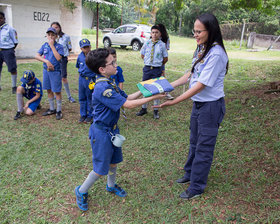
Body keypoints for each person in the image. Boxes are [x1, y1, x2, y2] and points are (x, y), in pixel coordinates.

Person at [74, 48, 164, 211]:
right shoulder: (103, 88)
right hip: (101, 133)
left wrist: (148, 90)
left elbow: (127, 97)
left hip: (112, 130)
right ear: (102, 69)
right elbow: (128, 105)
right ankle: (81, 190)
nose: (116, 64)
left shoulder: (110, 82)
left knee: (114, 162)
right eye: (112, 62)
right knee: (100, 169)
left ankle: (111, 186)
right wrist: (154, 97)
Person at [153, 13, 228, 200]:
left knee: (204, 147)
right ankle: (189, 174)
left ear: (210, 31)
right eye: (194, 31)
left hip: (211, 107)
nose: (195, 34)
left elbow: (200, 85)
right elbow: (190, 75)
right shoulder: (202, 48)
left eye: (199, 31)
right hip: (199, 105)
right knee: (194, 141)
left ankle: (196, 187)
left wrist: (174, 101)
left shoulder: (217, 53)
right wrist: (167, 85)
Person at [136, 25, 168, 119]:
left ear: (160, 34)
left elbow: (165, 59)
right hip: (147, 69)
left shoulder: (162, 45)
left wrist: (157, 65)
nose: (154, 34)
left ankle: (155, 110)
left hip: (156, 69)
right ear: (150, 33)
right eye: (153, 32)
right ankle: (144, 108)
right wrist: (148, 63)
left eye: (156, 32)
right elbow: (142, 54)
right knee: (145, 88)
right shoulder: (147, 43)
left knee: (156, 90)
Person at [35, 27, 64, 120]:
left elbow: (59, 58)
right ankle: (52, 109)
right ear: (47, 36)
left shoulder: (59, 46)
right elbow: (37, 56)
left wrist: (52, 46)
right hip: (46, 71)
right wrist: (46, 61)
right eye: (49, 35)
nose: (51, 37)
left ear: (56, 36)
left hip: (55, 72)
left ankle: (59, 110)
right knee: (48, 90)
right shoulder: (44, 45)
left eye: (53, 35)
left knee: (57, 91)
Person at [51, 22, 76, 103]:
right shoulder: (51, 38)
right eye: (53, 27)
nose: (55, 29)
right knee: (56, 77)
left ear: (60, 28)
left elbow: (69, 48)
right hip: (54, 60)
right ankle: (56, 94)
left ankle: (69, 96)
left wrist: (62, 54)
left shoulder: (66, 37)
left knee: (64, 78)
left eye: (56, 27)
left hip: (62, 59)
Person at [76, 39, 96, 124]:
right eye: (84, 47)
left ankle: (90, 115)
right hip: (82, 79)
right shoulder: (80, 56)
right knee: (81, 97)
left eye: (88, 47)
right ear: (81, 48)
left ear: (90, 47)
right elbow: (78, 66)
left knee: (90, 98)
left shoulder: (93, 56)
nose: (87, 49)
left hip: (90, 79)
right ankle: (83, 114)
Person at [0, 12, 18, 93]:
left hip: (7, 50)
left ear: (4, 19)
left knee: (12, 68)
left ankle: (14, 86)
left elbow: (15, 41)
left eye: (0, 18)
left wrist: (10, 50)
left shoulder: (10, 29)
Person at [157, 23, 174, 100]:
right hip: (152, 63)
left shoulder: (166, 39)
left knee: (162, 77)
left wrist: (162, 62)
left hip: (161, 61)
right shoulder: (152, 38)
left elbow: (166, 51)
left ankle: (166, 93)